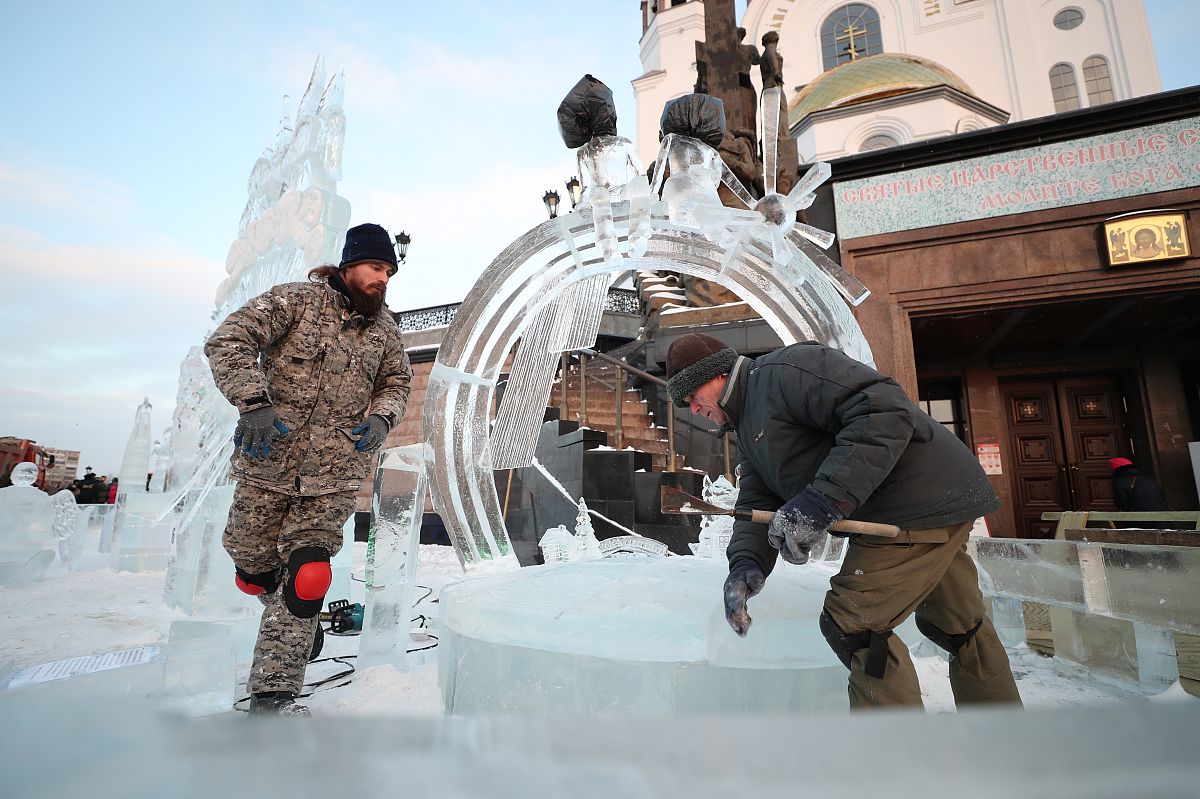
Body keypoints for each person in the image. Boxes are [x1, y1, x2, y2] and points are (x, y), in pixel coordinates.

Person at [665, 333, 1022, 710]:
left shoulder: (785, 372)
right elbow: (758, 500)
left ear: (718, 373)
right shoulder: (749, 424)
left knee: (853, 624)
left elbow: (883, 408)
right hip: (936, 500)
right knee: (958, 621)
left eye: (691, 394)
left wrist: (822, 501)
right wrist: (745, 564)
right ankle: (1003, 732)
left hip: (911, 507)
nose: (692, 408)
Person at [204, 222, 413, 717]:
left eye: (389, 270)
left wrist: (382, 418)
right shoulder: (295, 302)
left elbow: (398, 382)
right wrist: (253, 402)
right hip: (266, 465)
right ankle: (290, 615)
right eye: (375, 267)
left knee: (309, 576)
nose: (382, 278)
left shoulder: (386, 332)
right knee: (252, 569)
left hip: (334, 474)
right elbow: (228, 340)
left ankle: (274, 693)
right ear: (348, 265)